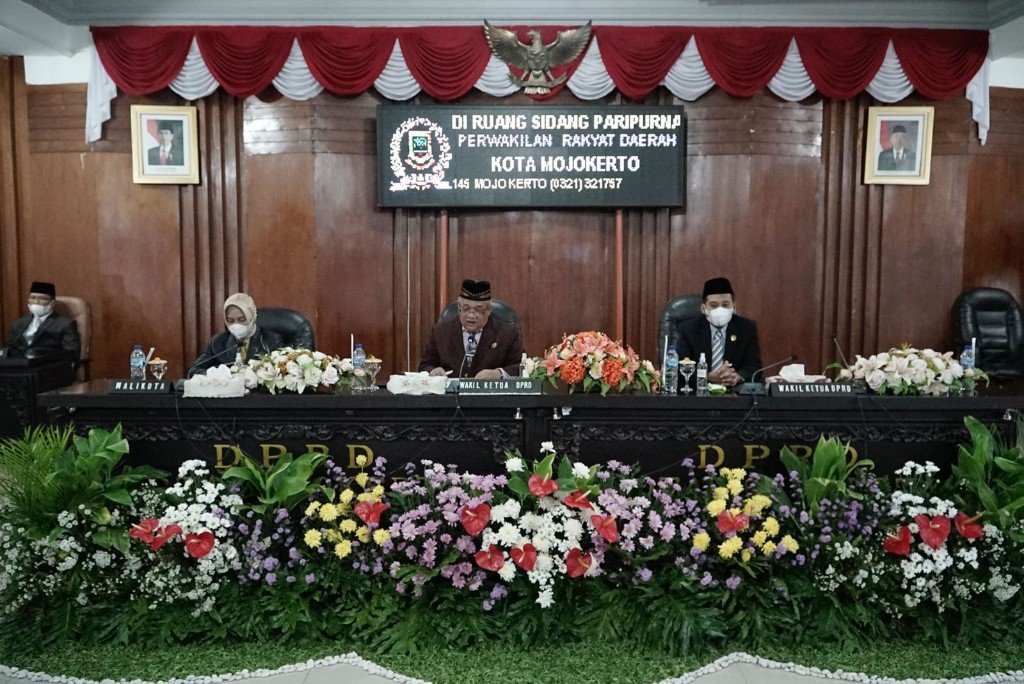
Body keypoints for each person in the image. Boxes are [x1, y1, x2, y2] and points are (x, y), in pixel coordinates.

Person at [418, 279, 524, 379]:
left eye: (478, 310)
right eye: (466, 308)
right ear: (459, 307)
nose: (471, 315)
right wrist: (433, 371)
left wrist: (499, 373)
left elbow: (521, 366)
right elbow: (425, 365)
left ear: (488, 310)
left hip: (490, 392)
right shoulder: (441, 332)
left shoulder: (507, 333)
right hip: (450, 392)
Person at [675, 277, 762, 389]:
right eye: (713, 305)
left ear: (734, 306)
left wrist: (737, 377)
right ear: (703, 308)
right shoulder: (688, 328)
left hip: (734, 393)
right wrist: (708, 377)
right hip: (699, 392)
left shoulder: (746, 328)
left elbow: (754, 367)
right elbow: (680, 368)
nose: (720, 310)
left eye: (725, 305)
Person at [188, 293, 283, 377]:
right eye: (230, 321)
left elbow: (277, 373)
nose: (236, 324)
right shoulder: (218, 342)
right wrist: (216, 374)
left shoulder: (271, 340)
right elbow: (194, 371)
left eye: (242, 319)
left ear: (252, 316)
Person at [3, 281, 80, 363]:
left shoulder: (65, 324)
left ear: (53, 303)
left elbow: (71, 353)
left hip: (47, 365)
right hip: (19, 364)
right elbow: (8, 348)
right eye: (33, 297)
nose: (36, 302)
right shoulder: (19, 323)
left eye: (42, 298)